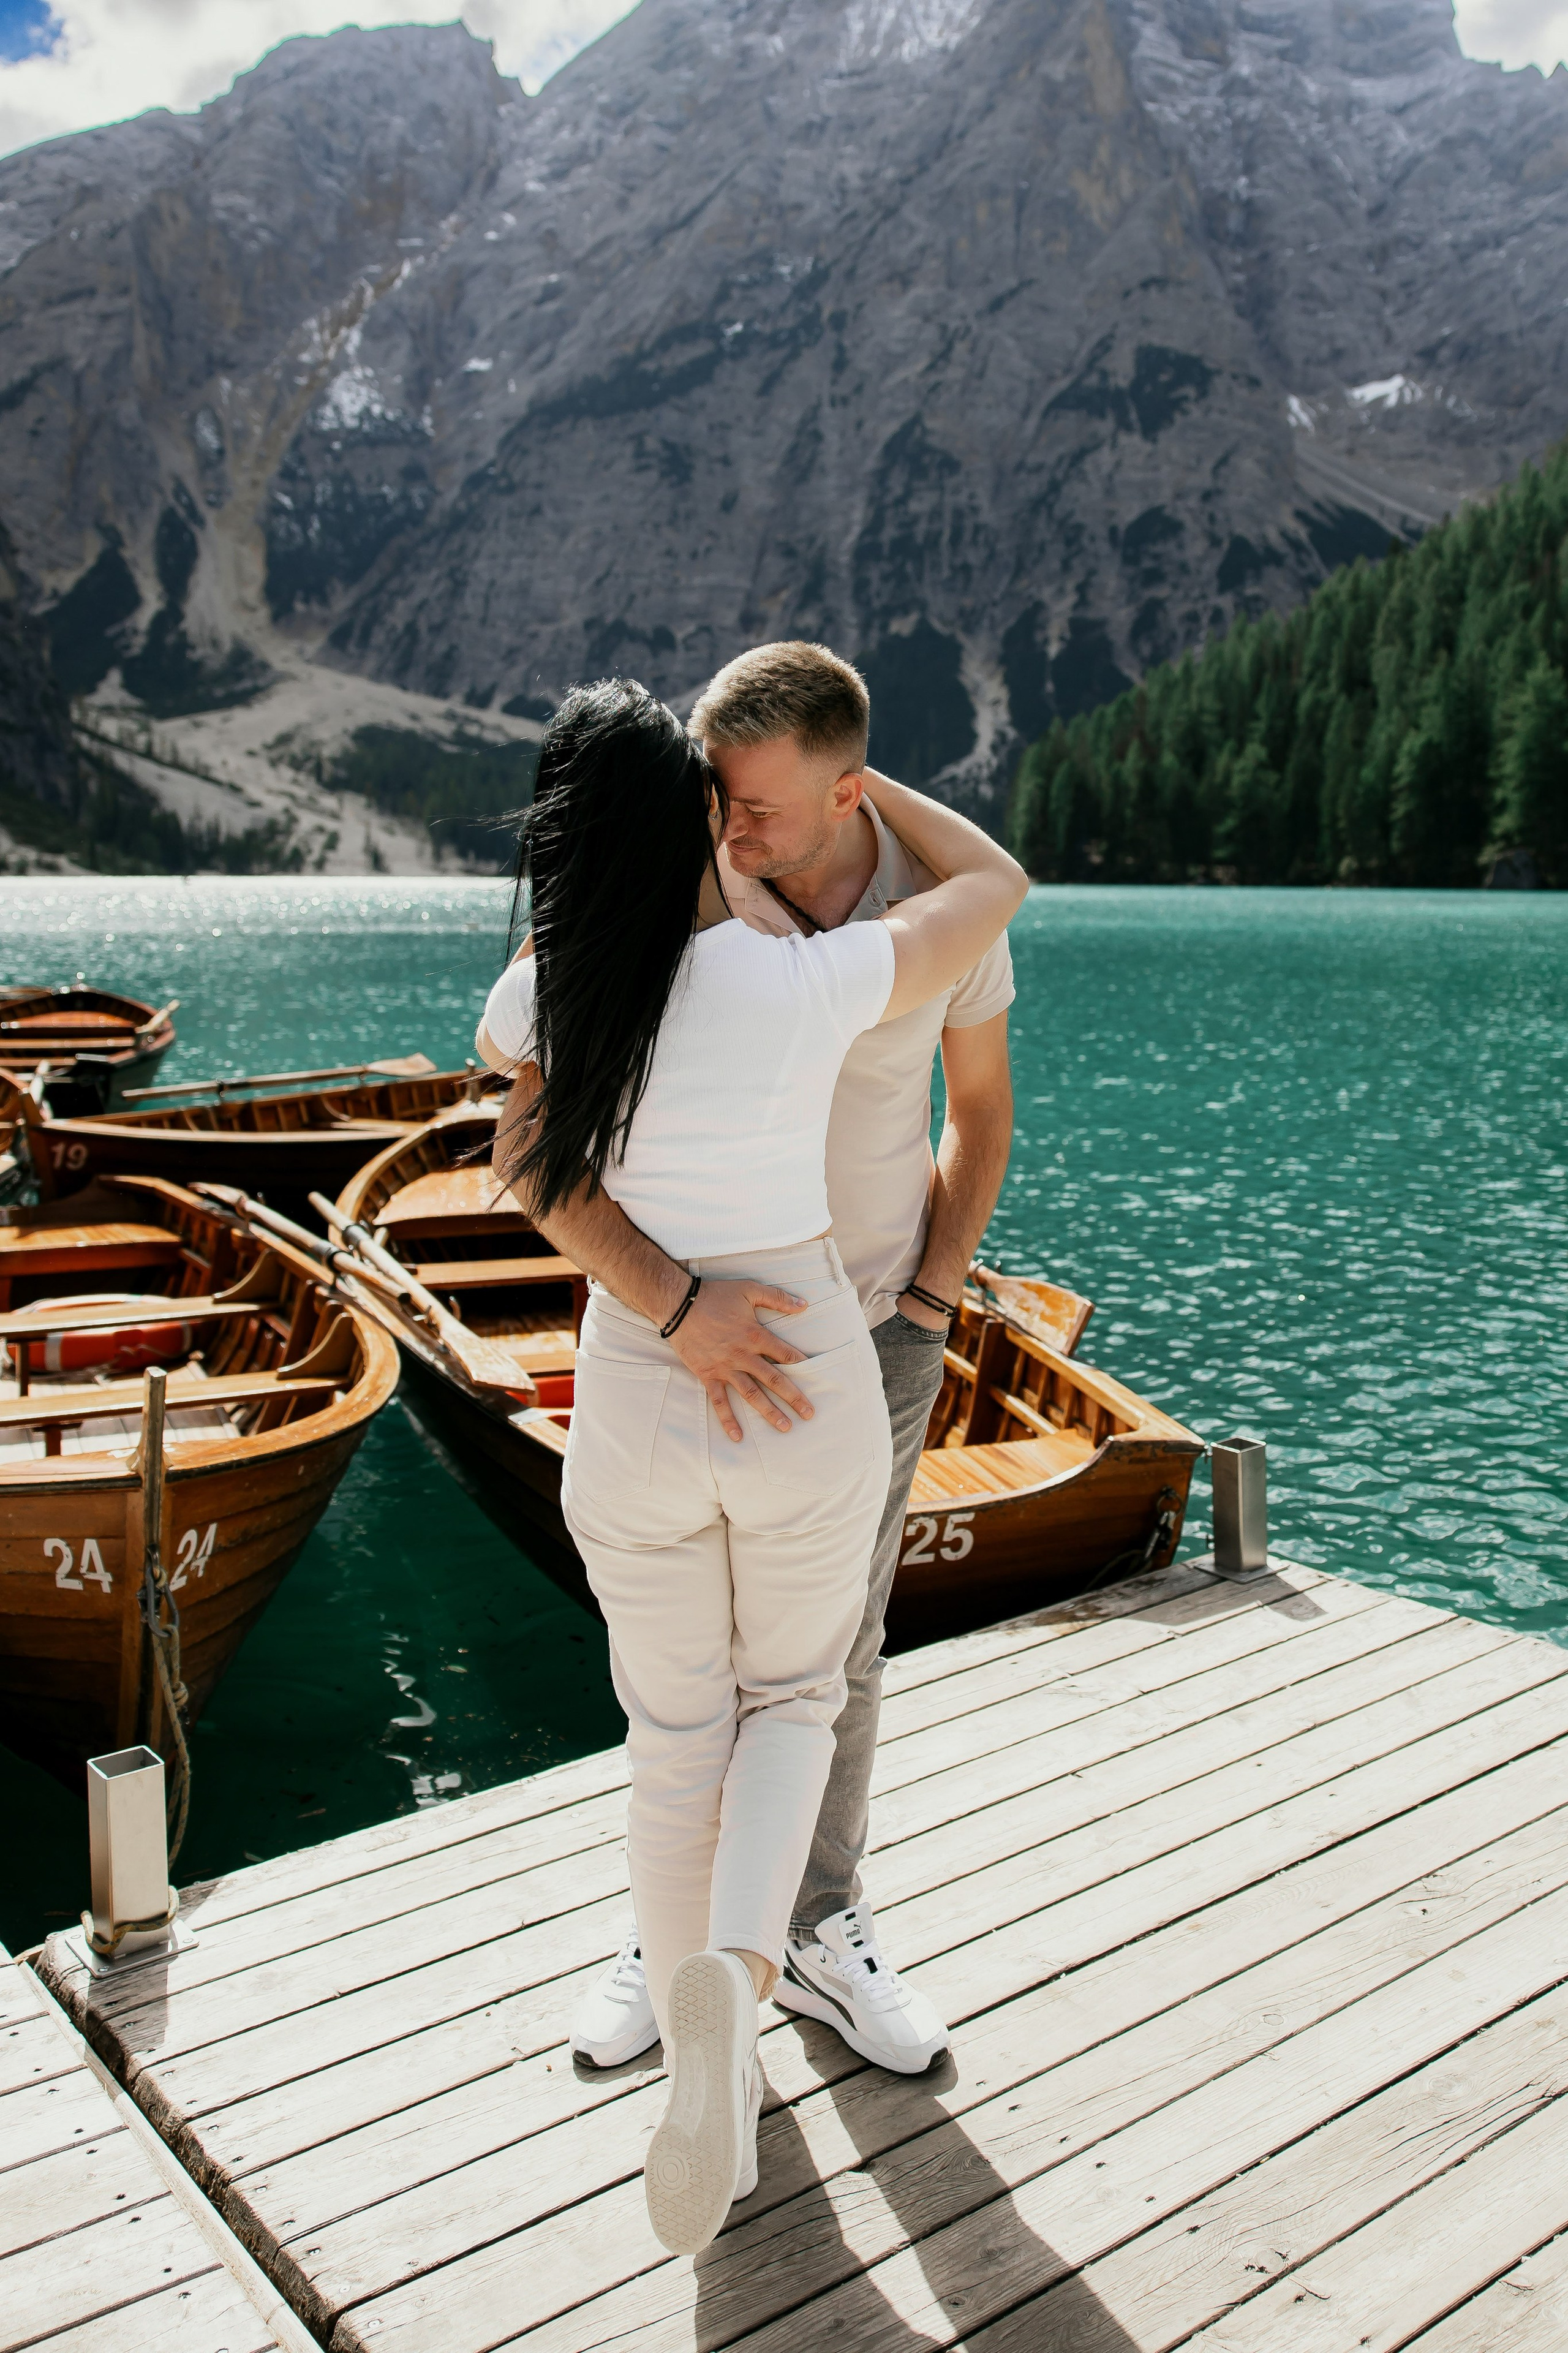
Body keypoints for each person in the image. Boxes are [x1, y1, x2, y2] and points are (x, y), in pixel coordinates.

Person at [477, 673, 1025, 2254]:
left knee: (673, 1732)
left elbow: (518, 1137)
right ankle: (742, 1967)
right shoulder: (809, 982)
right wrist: (870, 777)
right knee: (795, 1699)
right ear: (704, 819)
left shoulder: (556, 985)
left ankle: (692, 2019)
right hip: (807, 1375)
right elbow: (998, 883)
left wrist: (672, 1304)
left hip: (637, 1392)